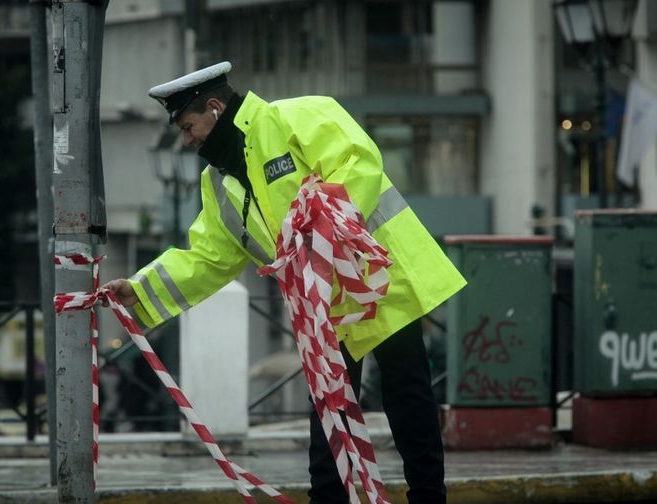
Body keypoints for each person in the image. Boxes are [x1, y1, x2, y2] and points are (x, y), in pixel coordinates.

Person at [103, 61, 466, 504]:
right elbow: (209, 255)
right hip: (321, 301)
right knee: (327, 402)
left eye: (188, 125)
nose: (186, 140)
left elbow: (357, 164)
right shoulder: (217, 182)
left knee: (406, 391)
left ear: (215, 108)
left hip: (379, 276)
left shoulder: (297, 115)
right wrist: (139, 291)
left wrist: (318, 233)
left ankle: (429, 497)